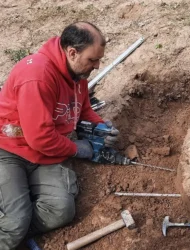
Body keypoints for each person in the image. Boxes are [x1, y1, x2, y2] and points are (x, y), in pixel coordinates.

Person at [0, 22, 118, 249]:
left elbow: (82, 109)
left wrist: (101, 126)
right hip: (9, 149)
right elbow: (40, 137)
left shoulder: (77, 72)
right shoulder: (37, 75)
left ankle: (15, 226)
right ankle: (13, 227)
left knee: (61, 210)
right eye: (92, 60)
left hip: (47, 153)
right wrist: (76, 149)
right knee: (15, 223)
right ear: (72, 52)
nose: (97, 65)